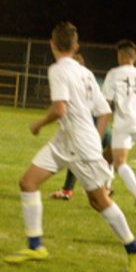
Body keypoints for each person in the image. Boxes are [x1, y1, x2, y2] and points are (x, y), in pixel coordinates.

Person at [4, 21, 136, 272]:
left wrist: (38, 124)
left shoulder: (58, 70)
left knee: (98, 200)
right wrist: (95, 135)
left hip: (79, 144)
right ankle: (35, 246)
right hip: (66, 140)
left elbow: (59, 109)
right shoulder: (86, 73)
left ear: (52, 45)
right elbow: (103, 111)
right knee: (27, 182)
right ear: (75, 46)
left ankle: (134, 248)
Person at [50, 53, 113, 200]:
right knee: (98, 161)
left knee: (74, 157)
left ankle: (69, 190)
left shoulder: (74, 82)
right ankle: (106, 186)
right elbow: (104, 107)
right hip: (105, 130)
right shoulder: (92, 79)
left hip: (89, 131)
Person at [102, 39, 136, 215]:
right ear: (135, 57)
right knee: (108, 156)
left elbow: (106, 103)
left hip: (123, 123)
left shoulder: (114, 74)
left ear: (119, 56)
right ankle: (106, 188)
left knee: (119, 163)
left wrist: (100, 126)